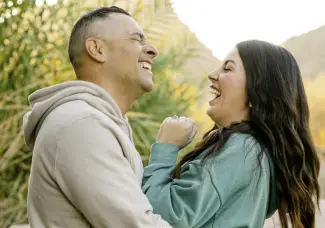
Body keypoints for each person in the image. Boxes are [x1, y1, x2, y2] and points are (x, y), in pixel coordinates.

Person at [142, 40, 320, 228]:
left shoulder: (241, 150)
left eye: (227, 69)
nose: (212, 75)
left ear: (257, 90)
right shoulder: (254, 154)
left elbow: (159, 216)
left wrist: (165, 146)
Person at [23, 6, 172, 228]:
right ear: (96, 49)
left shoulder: (98, 121)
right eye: (136, 40)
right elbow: (138, 224)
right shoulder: (82, 125)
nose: (152, 50)